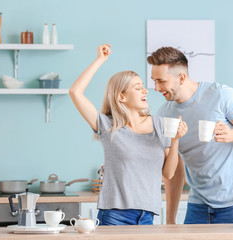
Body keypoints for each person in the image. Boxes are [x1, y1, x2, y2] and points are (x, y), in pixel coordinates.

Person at [147, 47, 233, 224]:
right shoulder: (165, 114)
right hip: (198, 206)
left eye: (161, 81)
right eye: (154, 81)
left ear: (181, 78)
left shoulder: (220, 94)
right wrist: (170, 219)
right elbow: (174, 171)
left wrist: (232, 135)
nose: (156, 88)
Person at [69, 44, 188, 225]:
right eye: (138, 87)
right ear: (121, 97)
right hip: (114, 216)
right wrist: (100, 60)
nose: (146, 90)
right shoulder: (108, 125)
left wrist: (175, 141)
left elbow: (169, 173)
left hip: (147, 216)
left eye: (143, 87)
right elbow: (75, 92)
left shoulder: (159, 124)